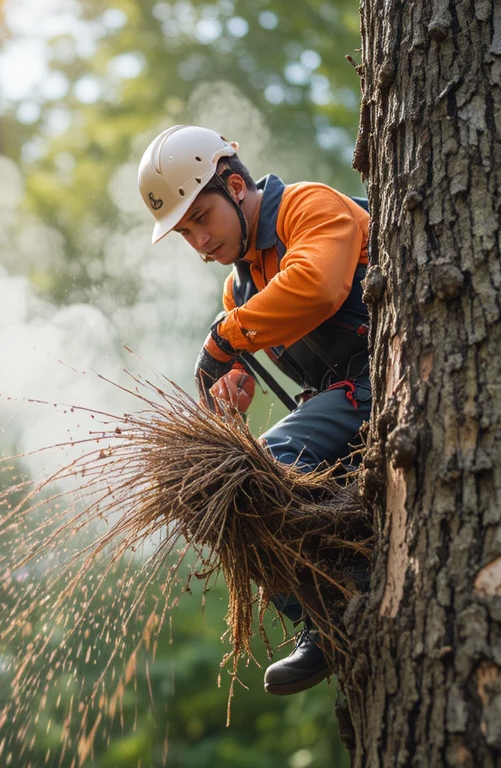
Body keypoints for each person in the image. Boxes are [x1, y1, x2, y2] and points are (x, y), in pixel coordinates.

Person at [136, 124, 372, 695]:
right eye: (185, 233)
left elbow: (316, 286)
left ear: (236, 185)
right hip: (345, 407)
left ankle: (340, 600)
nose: (199, 242)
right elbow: (242, 348)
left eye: (201, 220)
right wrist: (228, 416)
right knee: (216, 486)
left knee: (266, 461)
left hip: (387, 378)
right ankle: (326, 603)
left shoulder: (307, 206)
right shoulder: (239, 291)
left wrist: (226, 339)